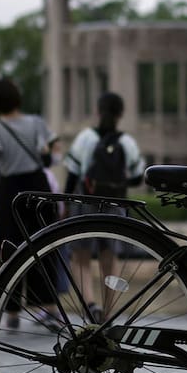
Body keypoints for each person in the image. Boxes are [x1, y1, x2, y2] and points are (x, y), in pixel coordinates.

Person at [62, 92, 145, 324]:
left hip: (85, 203)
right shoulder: (126, 142)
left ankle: (90, 305)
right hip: (115, 205)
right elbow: (138, 177)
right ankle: (109, 312)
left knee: (80, 256)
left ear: (97, 112)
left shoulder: (85, 138)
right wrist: (118, 185)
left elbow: (72, 174)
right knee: (110, 258)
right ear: (120, 115)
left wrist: (66, 204)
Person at [0, 78, 63, 331]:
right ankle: (49, 307)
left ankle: (11, 311)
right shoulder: (35, 122)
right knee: (44, 244)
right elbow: (48, 153)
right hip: (37, 187)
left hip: (10, 189)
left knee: (10, 248)